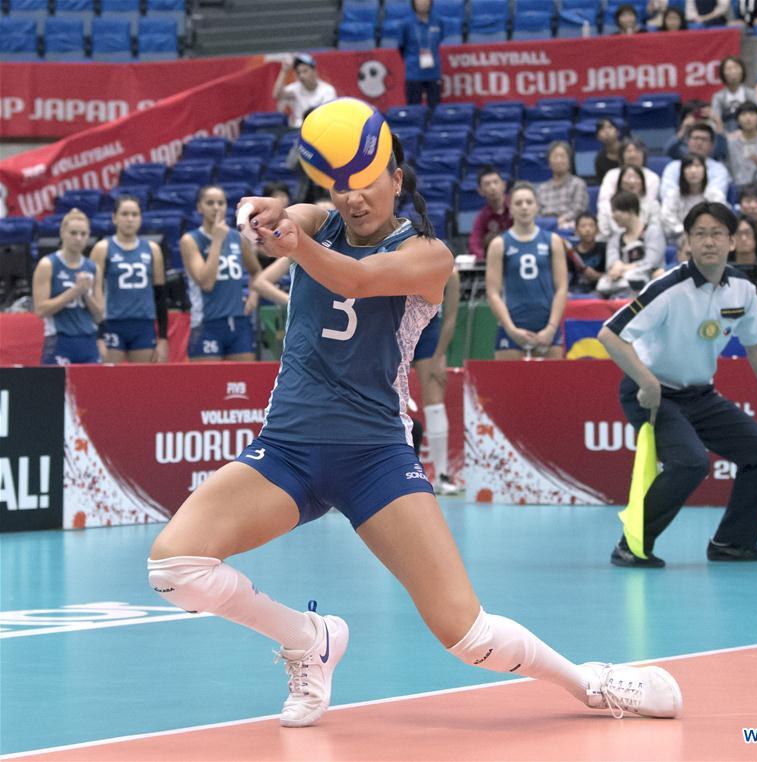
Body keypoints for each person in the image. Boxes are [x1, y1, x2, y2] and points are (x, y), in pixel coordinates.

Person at [148, 131, 683, 726]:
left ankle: (590, 683)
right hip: (287, 450)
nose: (354, 199)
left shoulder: (429, 255)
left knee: (465, 633)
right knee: (175, 569)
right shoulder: (320, 220)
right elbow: (292, 214)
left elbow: (355, 280)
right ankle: (308, 638)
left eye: (368, 184)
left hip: (374, 458)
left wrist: (294, 243)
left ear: (397, 181)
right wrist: (262, 212)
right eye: (342, 186)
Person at [598, 202, 757, 567]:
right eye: (699, 234)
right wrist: (646, 380)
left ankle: (733, 542)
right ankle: (631, 545)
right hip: (653, 395)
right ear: (687, 242)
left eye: (717, 233)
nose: (709, 242)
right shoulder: (670, 287)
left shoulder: (743, 289)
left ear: (732, 241)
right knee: (690, 462)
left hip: (700, 395)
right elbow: (610, 334)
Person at [486, 181, 568, 359]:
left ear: (537, 206)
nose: (524, 207)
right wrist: (510, 329)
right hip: (512, 326)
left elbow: (562, 288)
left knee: (553, 385)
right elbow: (493, 292)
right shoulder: (499, 244)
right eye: (518, 203)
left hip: (547, 325)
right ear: (511, 207)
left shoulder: (552, 240)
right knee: (508, 385)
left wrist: (551, 328)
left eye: (529, 202)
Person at [181, 185, 262, 362]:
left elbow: (256, 271)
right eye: (210, 203)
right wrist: (217, 239)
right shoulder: (190, 240)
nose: (216, 207)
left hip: (238, 321)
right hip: (207, 323)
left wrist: (253, 296)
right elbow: (206, 282)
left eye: (221, 203)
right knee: (208, 386)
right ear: (199, 207)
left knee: (244, 383)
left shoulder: (238, 237)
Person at [89, 196, 168, 364]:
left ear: (140, 218)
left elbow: (160, 296)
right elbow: (94, 293)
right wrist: (98, 335)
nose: (130, 219)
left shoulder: (152, 249)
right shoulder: (102, 248)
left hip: (143, 324)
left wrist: (163, 338)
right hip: (112, 323)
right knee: (110, 381)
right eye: (124, 214)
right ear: (114, 218)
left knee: (142, 382)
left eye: (134, 214)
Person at [411, 268, 461, 494]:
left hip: (428, 335)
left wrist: (438, 355)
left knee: (434, 400)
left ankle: (441, 475)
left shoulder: (450, 272)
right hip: (394, 331)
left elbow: (450, 319)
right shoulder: (398, 257)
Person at [32, 209, 103, 365]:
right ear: (62, 232)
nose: (78, 238)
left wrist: (86, 295)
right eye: (73, 233)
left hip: (88, 339)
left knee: (92, 388)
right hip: (59, 340)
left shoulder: (93, 268)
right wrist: (74, 291)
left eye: (83, 234)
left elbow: (99, 315)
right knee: (57, 388)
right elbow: (40, 310)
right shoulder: (48, 265)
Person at [596, 191, 666, 298]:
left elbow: (652, 262)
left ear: (630, 210)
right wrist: (615, 266)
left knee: (658, 273)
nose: (613, 216)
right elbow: (611, 263)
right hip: (621, 283)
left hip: (647, 279)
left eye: (615, 211)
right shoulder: (615, 239)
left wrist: (623, 267)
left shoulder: (653, 232)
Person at [661, 154, 727, 244]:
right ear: (682, 172)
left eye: (697, 166)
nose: (693, 170)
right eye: (688, 166)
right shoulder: (673, 195)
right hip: (680, 238)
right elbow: (667, 218)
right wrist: (686, 232)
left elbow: (721, 219)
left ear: (704, 171)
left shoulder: (715, 195)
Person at [660, 124, 731, 198]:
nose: (699, 143)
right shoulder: (673, 167)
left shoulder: (719, 169)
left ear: (711, 145)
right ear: (688, 142)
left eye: (704, 139)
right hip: (679, 208)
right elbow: (666, 194)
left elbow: (717, 197)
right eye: (696, 138)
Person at [272, 53, 337, 129]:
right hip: (298, 131)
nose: (301, 76)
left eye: (305, 71)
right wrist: (284, 71)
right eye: (298, 73)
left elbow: (328, 116)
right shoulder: (295, 89)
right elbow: (277, 95)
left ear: (314, 71)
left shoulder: (328, 91)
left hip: (320, 129)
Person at [399, 0, 443, 109]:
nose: (422, 3)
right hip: (414, 72)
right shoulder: (406, 24)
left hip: (433, 72)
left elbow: (441, 41)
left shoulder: (438, 21)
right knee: (414, 108)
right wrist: (412, 60)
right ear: (414, 3)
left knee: (435, 108)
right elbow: (401, 47)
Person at [597, 165, 662, 240]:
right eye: (628, 177)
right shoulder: (608, 206)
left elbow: (655, 229)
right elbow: (604, 230)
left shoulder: (653, 205)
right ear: (620, 182)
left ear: (642, 182)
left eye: (636, 177)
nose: (632, 181)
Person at [536, 141, 589, 231]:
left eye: (563, 156)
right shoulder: (542, 188)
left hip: (569, 225)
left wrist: (560, 221)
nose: (559, 160)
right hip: (545, 227)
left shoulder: (578, 184)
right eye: (555, 157)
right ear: (549, 162)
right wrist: (549, 224)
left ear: (569, 161)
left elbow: (578, 210)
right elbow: (536, 213)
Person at [598, 139, 661, 207]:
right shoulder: (611, 175)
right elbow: (604, 202)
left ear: (644, 155)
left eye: (637, 151)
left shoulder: (652, 177)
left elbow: (649, 203)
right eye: (628, 151)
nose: (632, 155)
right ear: (622, 155)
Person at [467, 166, 511, 261]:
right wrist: (485, 258)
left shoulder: (516, 207)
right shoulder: (482, 216)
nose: (492, 187)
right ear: (480, 191)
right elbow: (474, 242)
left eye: (496, 182)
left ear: (504, 185)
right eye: (487, 184)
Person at [710, 56, 757, 133]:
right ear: (723, 73)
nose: (733, 71)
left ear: (742, 71)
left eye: (736, 68)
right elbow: (715, 121)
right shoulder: (718, 97)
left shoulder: (751, 94)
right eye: (728, 69)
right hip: (726, 134)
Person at [568, 212, 606, 293]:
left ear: (597, 229)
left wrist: (597, 276)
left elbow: (612, 276)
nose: (587, 229)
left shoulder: (604, 249)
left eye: (591, 225)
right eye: (583, 226)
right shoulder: (571, 253)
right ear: (576, 230)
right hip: (576, 291)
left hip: (600, 292)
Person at [593, 118, 623, 184]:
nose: (606, 131)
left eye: (610, 127)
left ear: (618, 132)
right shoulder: (599, 159)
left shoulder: (628, 151)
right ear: (598, 137)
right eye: (602, 129)